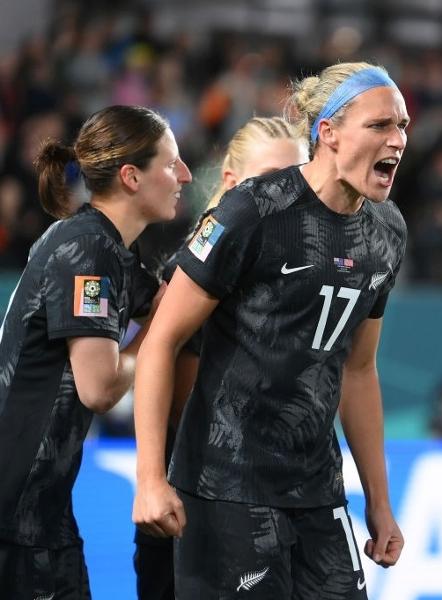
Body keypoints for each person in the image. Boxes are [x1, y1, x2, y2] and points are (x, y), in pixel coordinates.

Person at [133, 61, 409, 600]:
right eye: (380, 125)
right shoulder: (253, 211)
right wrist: (149, 478)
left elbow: (357, 369)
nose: (397, 139)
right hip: (225, 489)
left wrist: (378, 501)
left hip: (318, 492)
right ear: (327, 132)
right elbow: (159, 342)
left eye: (402, 126)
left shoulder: (387, 231)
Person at [0, 104, 191, 599]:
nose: (185, 175)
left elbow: (174, 301)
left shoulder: (111, 251)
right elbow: (100, 387)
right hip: (15, 514)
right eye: (171, 164)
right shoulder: (88, 249)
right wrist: (155, 340)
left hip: (41, 509)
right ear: (131, 176)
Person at [133, 115, 310, 600]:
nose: (285, 199)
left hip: (277, 494)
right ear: (231, 182)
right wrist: (152, 480)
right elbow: (184, 400)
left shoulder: (302, 269)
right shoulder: (194, 270)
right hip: (197, 498)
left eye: (296, 180)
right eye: (270, 180)